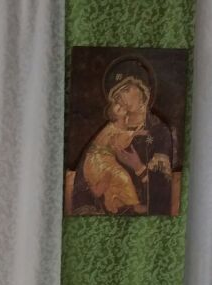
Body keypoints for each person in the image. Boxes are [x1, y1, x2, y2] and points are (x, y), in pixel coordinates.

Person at [71, 57, 175, 217]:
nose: (122, 99)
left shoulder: (159, 132)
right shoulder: (109, 130)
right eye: (118, 96)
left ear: (143, 90)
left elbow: (163, 193)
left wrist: (138, 167)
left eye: (126, 90)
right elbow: (82, 182)